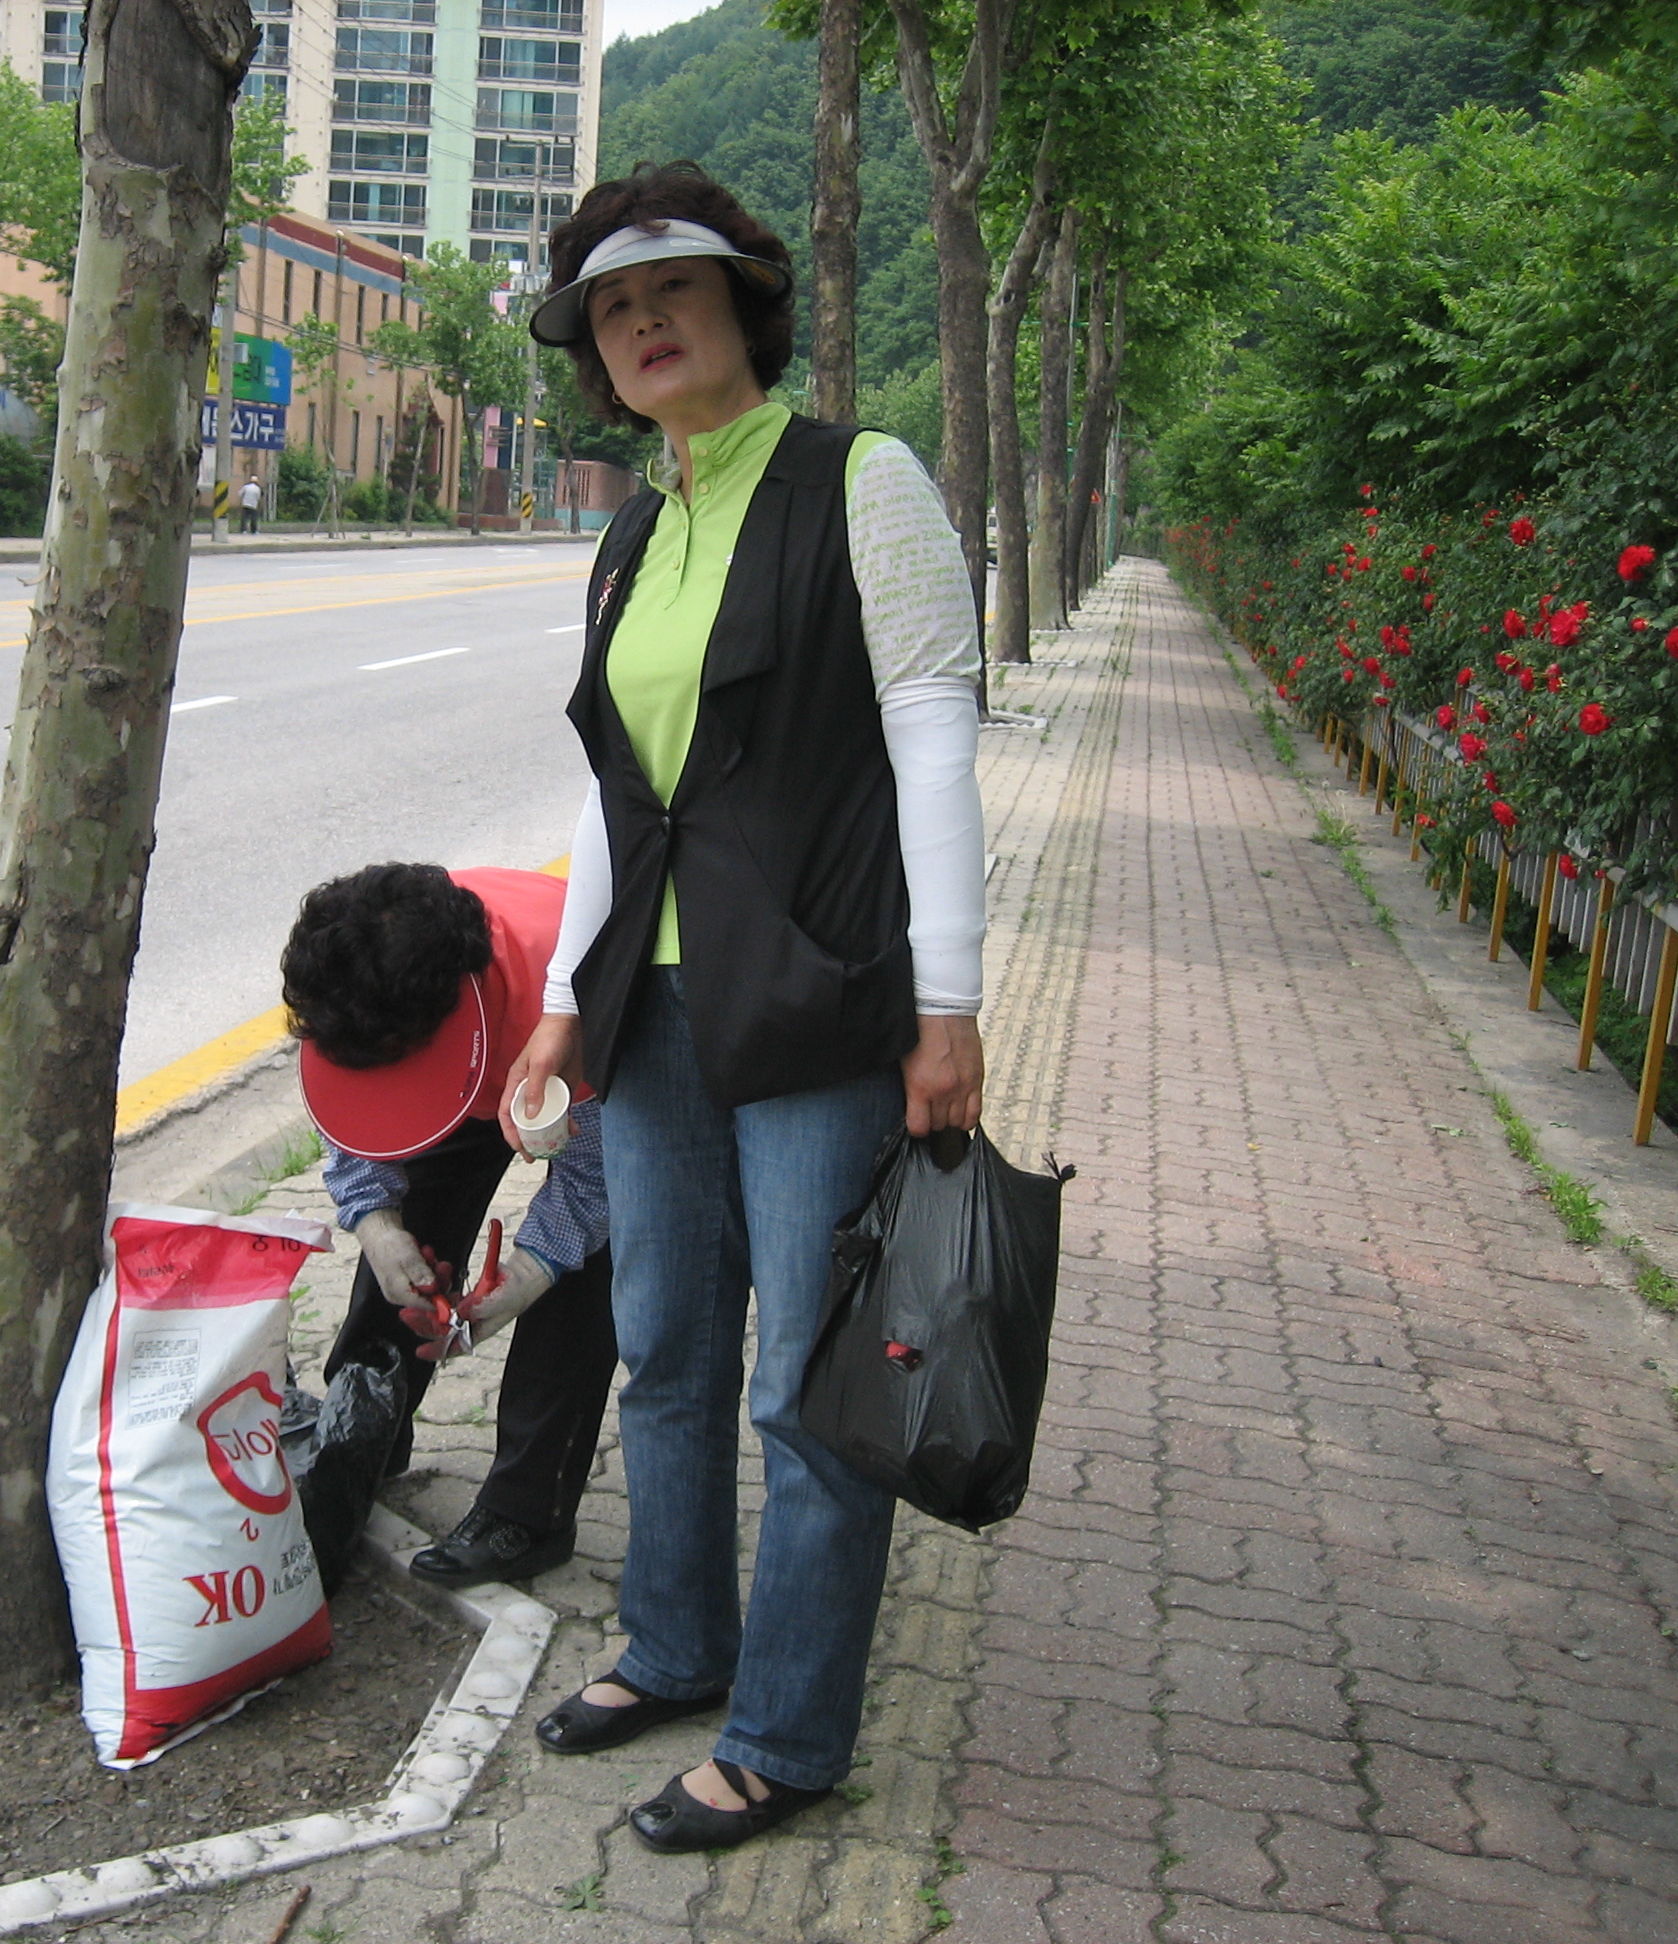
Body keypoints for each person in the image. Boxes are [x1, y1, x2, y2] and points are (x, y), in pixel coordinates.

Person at [499, 165, 988, 1855]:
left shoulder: (861, 479)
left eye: (673, 290)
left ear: (743, 305)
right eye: (612, 309)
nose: (643, 324)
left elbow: (932, 732)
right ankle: (674, 1643)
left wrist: (947, 1003)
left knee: (805, 1381)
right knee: (665, 1344)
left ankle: (785, 1732)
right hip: (652, 1006)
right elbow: (615, 789)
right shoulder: (637, 528)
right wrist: (564, 995)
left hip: (817, 997)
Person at [281, 862, 616, 1591]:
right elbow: (355, 1107)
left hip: (568, 1063)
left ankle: (528, 1511)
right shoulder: (369, 965)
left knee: (589, 1271)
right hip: (464, 1058)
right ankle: (364, 1433)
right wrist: (377, 1224)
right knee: (407, 1243)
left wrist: (527, 1275)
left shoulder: (580, 988)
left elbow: (599, 1182)